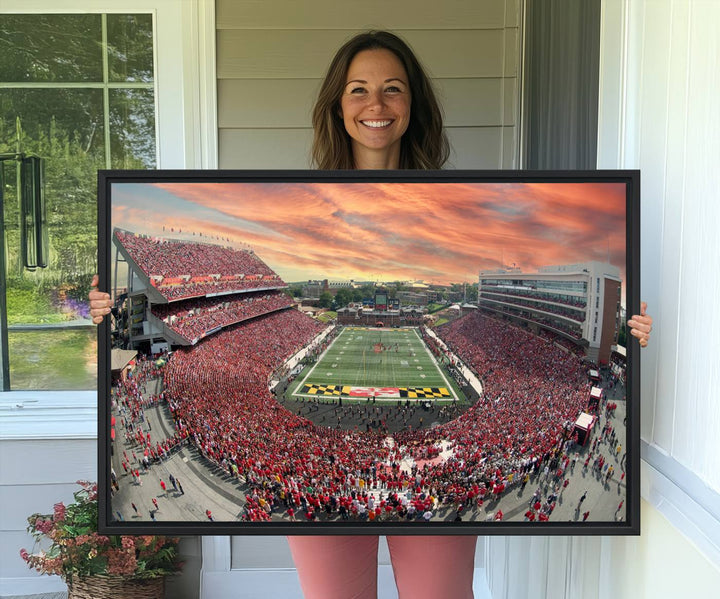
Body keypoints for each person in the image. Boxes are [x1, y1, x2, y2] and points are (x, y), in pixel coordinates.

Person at [88, 29, 653, 599]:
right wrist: (109, 313)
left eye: (392, 89)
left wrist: (626, 334)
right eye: (358, 89)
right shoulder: (303, 194)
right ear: (338, 104)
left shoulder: (454, 196)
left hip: (427, 509)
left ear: (413, 105)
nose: (375, 105)